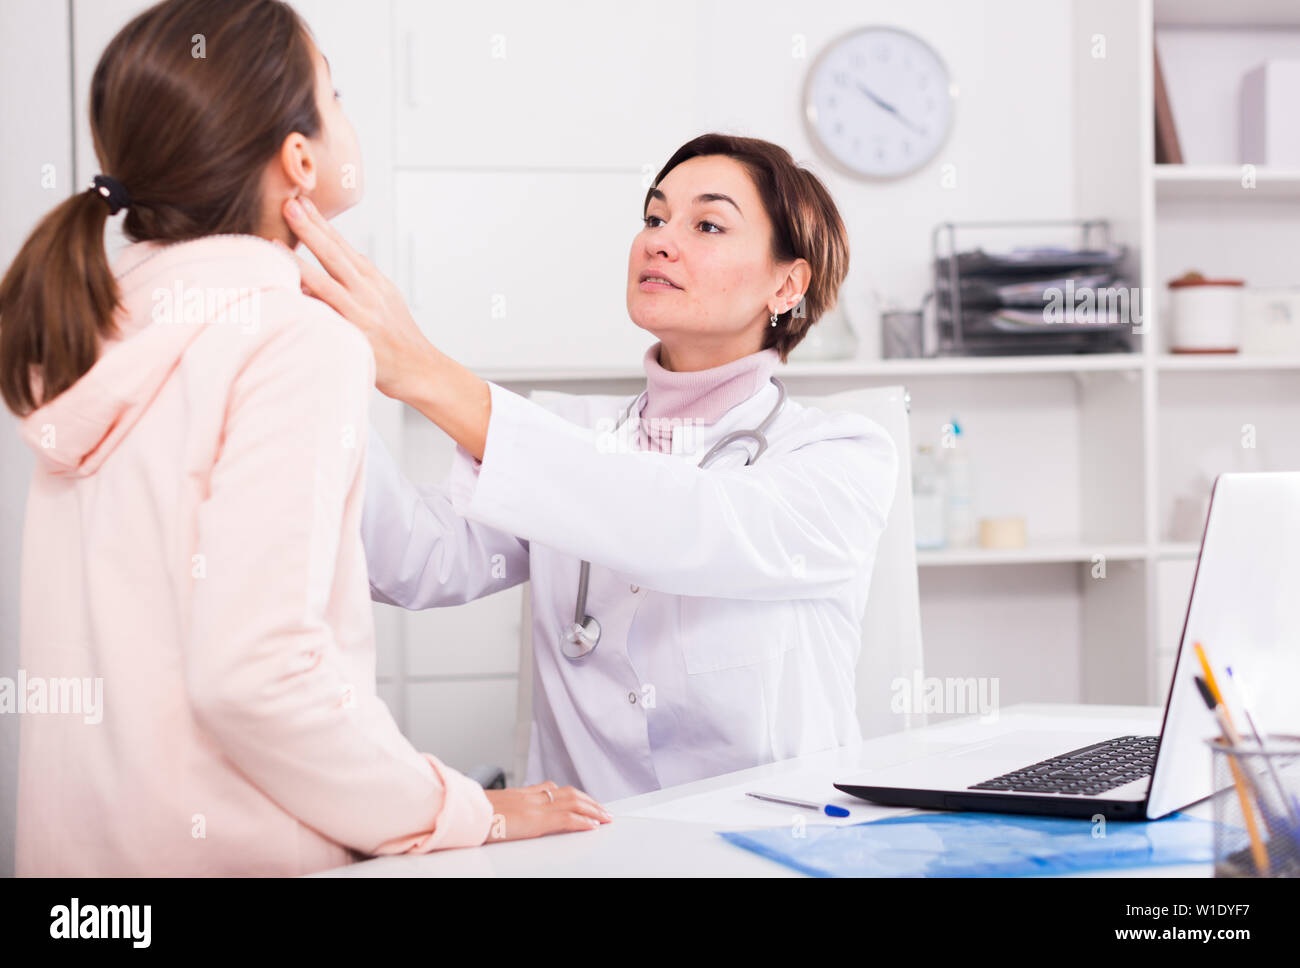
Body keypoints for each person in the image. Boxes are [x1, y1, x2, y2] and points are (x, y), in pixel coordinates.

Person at [0, 0, 606, 877]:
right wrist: (462, 811)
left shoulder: (94, 338)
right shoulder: (292, 340)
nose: (344, 113)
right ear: (299, 157)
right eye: (335, 92)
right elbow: (255, 674)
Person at [285, 133, 900, 802]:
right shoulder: (575, 436)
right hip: (590, 851)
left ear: (788, 285)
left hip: (774, 849)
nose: (660, 241)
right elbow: (411, 559)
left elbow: (682, 525)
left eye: (708, 223)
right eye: (655, 217)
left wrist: (425, 373)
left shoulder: (841, 457)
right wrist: (319, 359)